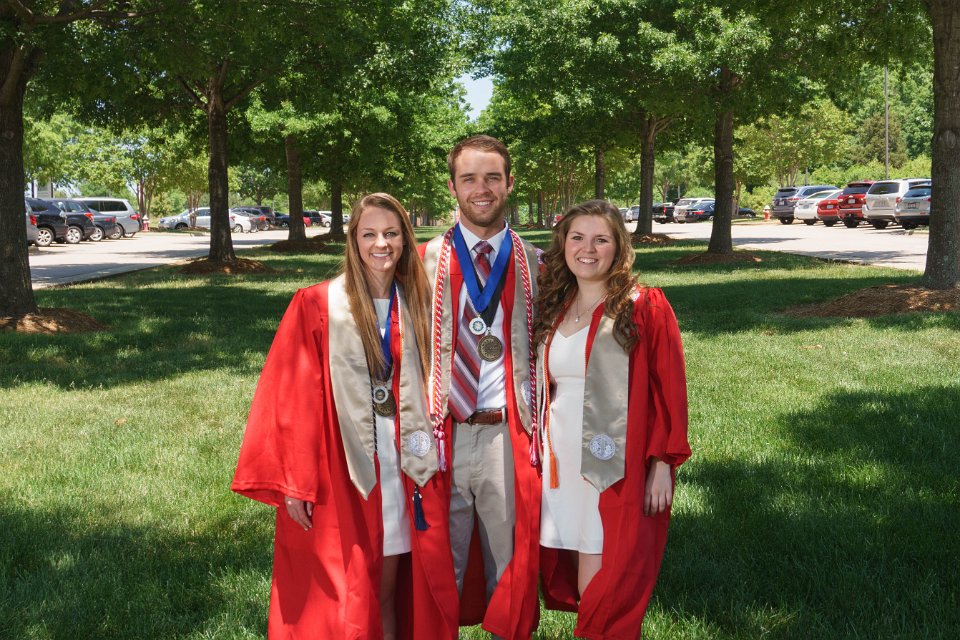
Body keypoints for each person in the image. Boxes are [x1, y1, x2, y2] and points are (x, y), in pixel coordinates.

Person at [232, 193, 459, 639]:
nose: (381, 244)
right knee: (348, 590)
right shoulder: (318, 304)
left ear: (405, 239)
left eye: (391, 233)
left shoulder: (420, 303)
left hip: (405, 467)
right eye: (369, 234)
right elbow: (293, 398)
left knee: (390, 588)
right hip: (344, 469)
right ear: (353, 240)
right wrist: (295, 481)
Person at [534, 199, 691, 639]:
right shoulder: (555, 306)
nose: (588, 249)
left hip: (617, 467)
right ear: (563, 244)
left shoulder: (643, 306)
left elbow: (669, 392)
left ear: (618, 247)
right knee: (586, 569)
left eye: (601, 240)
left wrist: (662, 464)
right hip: (559, 464)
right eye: (577, 238)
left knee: (611, 579)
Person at [419, 135, 541, 639]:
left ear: (509, 183)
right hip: (439, 432)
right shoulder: (421, 263)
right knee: (434, 568)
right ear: (453, 187)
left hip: (504, 434)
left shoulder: (537, 264)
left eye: (492, 177)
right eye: (469, 178)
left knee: (508, 571)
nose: (482, 188)